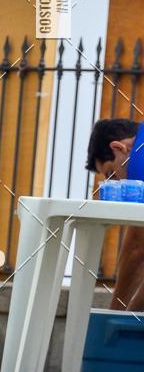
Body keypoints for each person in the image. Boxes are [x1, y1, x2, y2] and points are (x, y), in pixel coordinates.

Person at [85, 117, 144, 311]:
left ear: (119, 148)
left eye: (111, 173)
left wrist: (112, 317)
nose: (116, 182)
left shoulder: (138, 157)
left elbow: (137, 250)